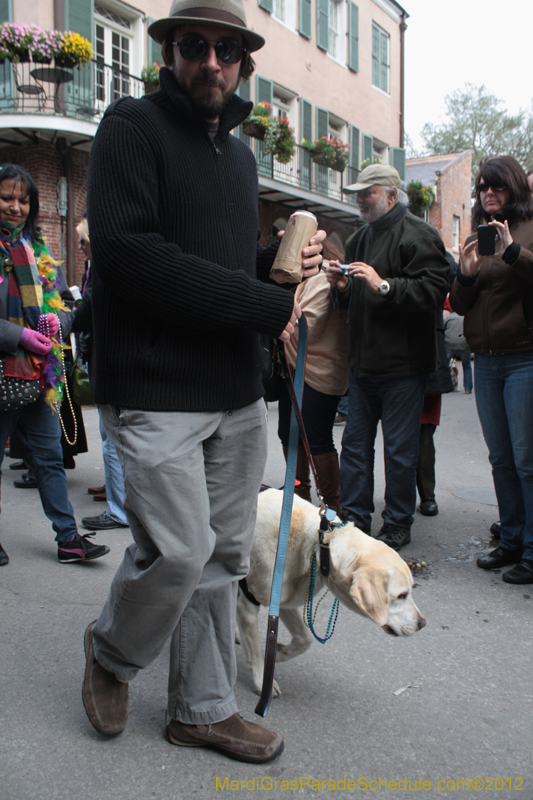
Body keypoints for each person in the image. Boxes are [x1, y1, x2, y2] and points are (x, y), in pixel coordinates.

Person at [81, 0, 325, 763]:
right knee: (180, 553)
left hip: (234, 390)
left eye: (226, 49)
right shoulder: (130, 125)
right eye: (194, 46)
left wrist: (276, 270)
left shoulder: (242, 156)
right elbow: (129, 253)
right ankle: (112, 654)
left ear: (245, 62)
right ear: (168, 53)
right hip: (155, 385)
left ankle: (202, 706)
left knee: (222, 559)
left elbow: (217, 269)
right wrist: (264, 302)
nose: (210, 61)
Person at [326, 163, 450, 550]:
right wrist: (342, 286)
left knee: (399, 452)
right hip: (363, 368)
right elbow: (349, 302)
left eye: (368, 192)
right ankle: (355, 517)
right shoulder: (358, 238)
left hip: (402, 369)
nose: (360, 199)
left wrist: (384, 286)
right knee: (356, 447)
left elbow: (433, 290)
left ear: (392, 195)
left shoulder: (421, 234)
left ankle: (397, 522)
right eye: (358, 193)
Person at [0, 163, 110, 565]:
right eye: (7, 198)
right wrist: (19, 336)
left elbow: (66, 304)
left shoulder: (38, 251)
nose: (15, 207)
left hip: (39, 376)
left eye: (23, 200)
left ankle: (68, 540)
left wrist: (55, 323)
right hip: (2, 375)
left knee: (48, 458)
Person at [450, 155, 533, 585]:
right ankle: (512, 540)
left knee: (526, 460)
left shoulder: (528, 228)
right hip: (485, 361)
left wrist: (512, 250)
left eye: (496, 186)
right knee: (500, 458)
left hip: (523, 356)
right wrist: (464, 276)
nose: (488, 194)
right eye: (482, 187)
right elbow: (461, 305)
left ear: (513, 187)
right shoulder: (475, 237)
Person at [278, 240, 349, 511]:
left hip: (320, 372)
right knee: (287, 433)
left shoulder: (324, 278)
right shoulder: (301, 280)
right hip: (293, 368)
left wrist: (275, 303)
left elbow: (304, 322)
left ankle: (331, 506)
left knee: (317, 438)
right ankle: (300, 495)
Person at [70, 218, 129, 531]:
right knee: (111, 436)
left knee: (110, 437)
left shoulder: (102, 268)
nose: (81, 247)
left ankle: (119, 509)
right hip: (103, 357)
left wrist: (70, 317)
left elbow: (90, 309)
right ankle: (115, 494)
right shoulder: (97, 267)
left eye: (83, 241)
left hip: (107, 360)